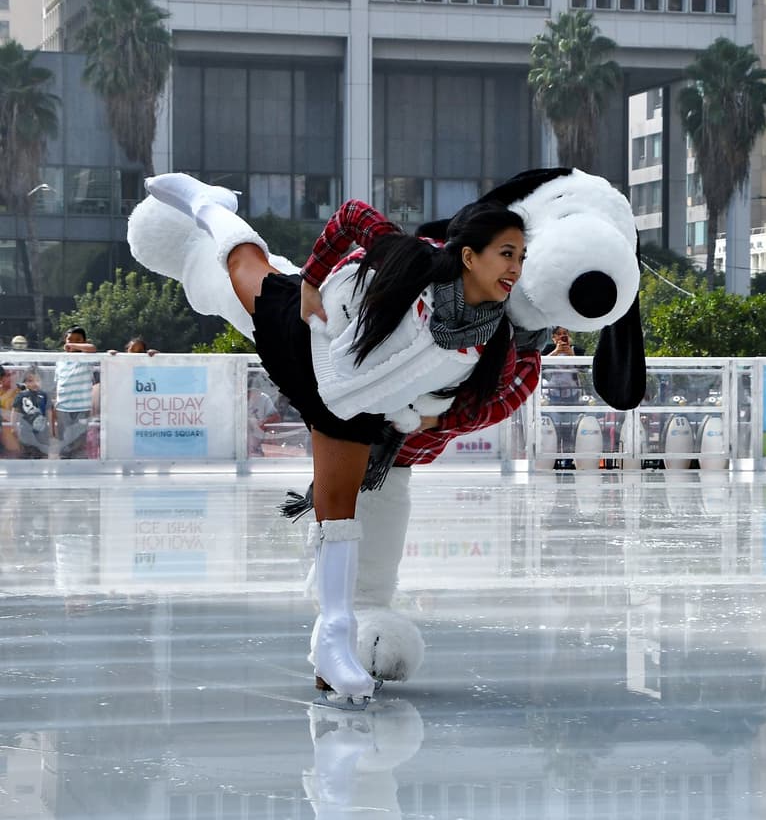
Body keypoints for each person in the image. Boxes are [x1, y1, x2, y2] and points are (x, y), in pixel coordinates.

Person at [143, 172, 533, 707]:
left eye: (522, 257)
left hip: (354, 412)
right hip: (308, 340)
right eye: (507, 253)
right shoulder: (411, 259)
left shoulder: (494, 339)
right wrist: (311, 278)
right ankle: (207, 204)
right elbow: (351, 214)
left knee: (342, 517)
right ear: (469, 255)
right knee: (244, 264)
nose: (515, 268)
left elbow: (485, 403)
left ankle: (333, 648)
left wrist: (428, 421)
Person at [541, 327, 586, 469]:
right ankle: (552, 461)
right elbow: (540, 363)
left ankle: (568, 461)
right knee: (554, 429)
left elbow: (584, 367)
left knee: (569, 429)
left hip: (572, 395)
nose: (562, 337)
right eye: (559, 335)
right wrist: (556, 352)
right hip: (552, 395)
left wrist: (572, 355)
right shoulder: (547, 349)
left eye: (565, 334)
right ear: (554, 338)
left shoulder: (577, 350)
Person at [53, 326, 97, 460]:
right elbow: (58, 383)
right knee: (64, 441)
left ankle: (79, 466)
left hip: (81, 407)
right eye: (69, 339)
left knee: (78, 440)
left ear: (84, 341)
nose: (72, 343)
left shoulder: (86, 359)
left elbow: (92, 349)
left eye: (77, 340)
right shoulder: (60, 361)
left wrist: (72, 345)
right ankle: (64, 465)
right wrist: (55, 403)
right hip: (63, 407)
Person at [12, 366, 50, 459]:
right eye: (30, 381)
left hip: (41, 431)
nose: (34, 383)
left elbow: (48, 411)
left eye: (38, 380)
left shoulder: (44, 394)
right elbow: (15, 411)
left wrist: (51, 429)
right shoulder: (21, 395)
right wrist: (13, 427)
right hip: (26, 431)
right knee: (26, 453)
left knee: (41, 454)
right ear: (24, 382)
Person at [0, 364, 18, 457]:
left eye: (13, 374)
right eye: (7, 375)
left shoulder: (21, 391)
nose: (11, 377)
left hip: (16, 428)